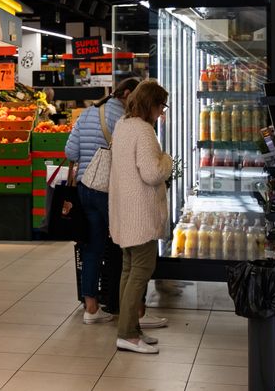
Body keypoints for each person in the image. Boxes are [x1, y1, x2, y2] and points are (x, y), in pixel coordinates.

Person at [65, 77, 139, 324]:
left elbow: (70, 153)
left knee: (92, 248)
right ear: (127, 94)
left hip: (86, 187)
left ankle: (91, 308)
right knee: (127, 246)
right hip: (110, 189)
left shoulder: (87, 113)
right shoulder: (124, 118)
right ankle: (130, 306)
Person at [109, 80, 174, 354]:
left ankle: (131, 329)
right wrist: (168, 160)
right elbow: (151, 173)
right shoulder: (145, 131)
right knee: (142, 271)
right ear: (152, 104)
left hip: (123, 211)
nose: (162, 113)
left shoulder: (123, 125)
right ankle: (127, 334)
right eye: (161, 107)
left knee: (128, 269)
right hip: (141, 215)